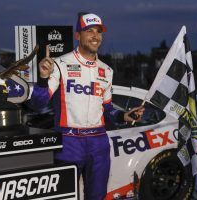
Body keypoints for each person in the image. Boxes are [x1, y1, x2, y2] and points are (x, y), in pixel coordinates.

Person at [30, 12, 145, 200]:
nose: (95, 36)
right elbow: (37, 103)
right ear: (78, 35)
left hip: (99, 143)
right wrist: (43, 79)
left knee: (97, 196)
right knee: (64, 196)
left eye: (99, 32)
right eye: (89, 31)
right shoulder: (59, 64)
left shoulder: (107, 71)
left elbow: (107, 110)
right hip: (68, 142)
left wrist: (125, 115)